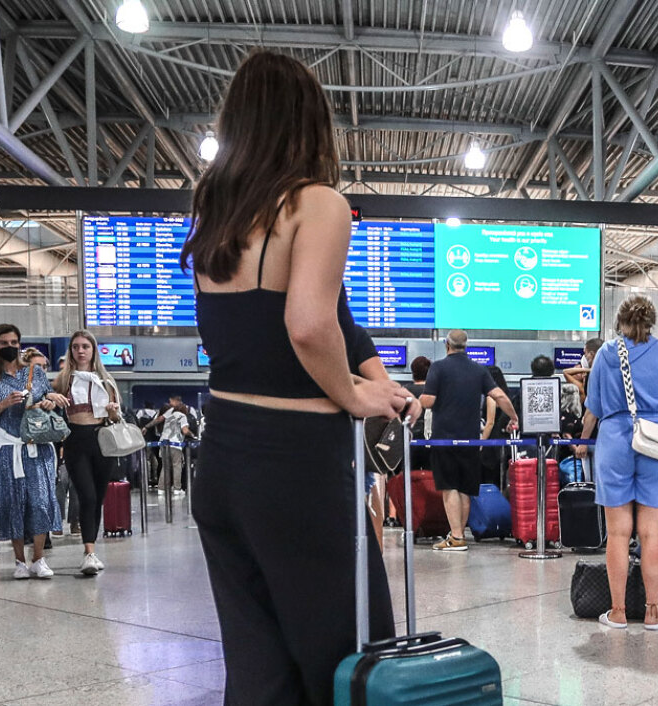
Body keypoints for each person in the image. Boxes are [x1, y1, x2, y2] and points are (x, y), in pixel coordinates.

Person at [181, 51, 410, 704]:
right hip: (296, 468)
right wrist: (355, 395)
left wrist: (376, 380)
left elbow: (323, 320)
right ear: (308, 121)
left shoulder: (215, 211)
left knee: (260, 672)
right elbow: (308, 325)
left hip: (222, 459)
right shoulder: (317, 203)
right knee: (350, 660)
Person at [584, 296, 658, 629]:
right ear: (652, 321)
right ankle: (653, 613)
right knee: (651, 533)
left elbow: (595, 405)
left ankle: (618, 612)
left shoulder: (606, 353)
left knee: (618, 532)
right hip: (655, 440)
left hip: (615, 439)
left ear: (619, 321)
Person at [0, 323, 66, 579]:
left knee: (40, 501)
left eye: (14, 342)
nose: (10, 347)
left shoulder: (35, 372)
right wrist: (3, 404)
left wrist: (49, 402)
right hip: (7, 447)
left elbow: (48, 398)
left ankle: (39, 558)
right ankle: (19, 561)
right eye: (4, 343)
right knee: (14, 503)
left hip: (36, 444)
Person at [420, 329, 518, 551]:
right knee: (465, 489)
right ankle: (459, 535)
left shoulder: (438, 368)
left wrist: (414, 401)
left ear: (447, 345)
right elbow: (499, 395)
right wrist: (514, 417)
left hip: (445, 439)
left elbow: (429, 400)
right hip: (471, 440)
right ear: (466, 346)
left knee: (450, 487)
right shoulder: (479, 370)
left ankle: (456, 537)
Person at [53, 330, 124, 576]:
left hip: (102, 440)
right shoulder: (64, 379)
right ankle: (89, 552)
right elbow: (46, 400)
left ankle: (92, 549)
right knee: (87, 496)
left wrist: (113, 411)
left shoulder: (106, 380)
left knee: (98, 496)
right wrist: (50, 398)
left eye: (85, 346)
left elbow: (116, 416)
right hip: (76, 440)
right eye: (75, 347)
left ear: (93, 350)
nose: (80, 351)